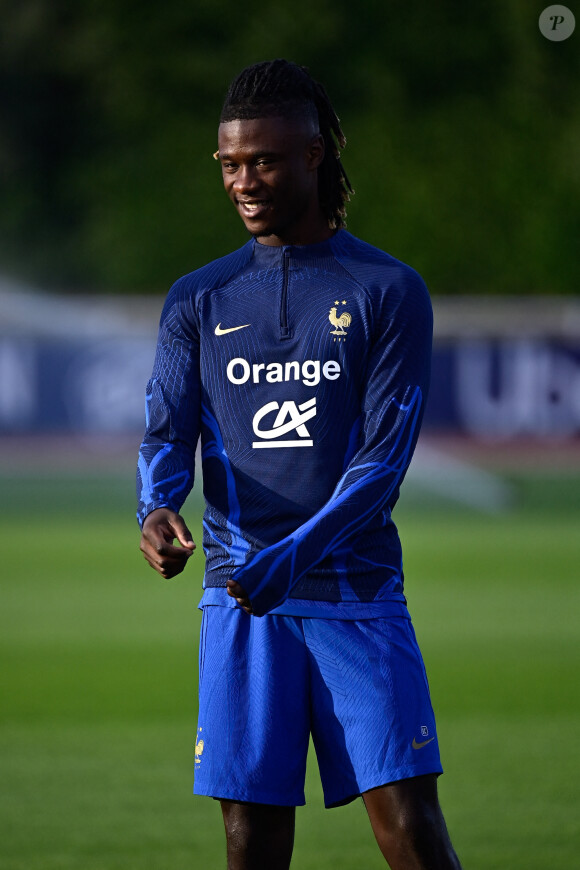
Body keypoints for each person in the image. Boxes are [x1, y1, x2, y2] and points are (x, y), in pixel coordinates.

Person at [137, 59, 462, 870]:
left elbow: (382, 462)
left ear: (315, 155)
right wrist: (156, 507)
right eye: (229, 164)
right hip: (241, 602)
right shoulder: (197, 300)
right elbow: (167, 434)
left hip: (356, 596)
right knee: (249, 843)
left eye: (265, 161)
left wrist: (295, 555)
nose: (244, 181)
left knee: (413, 831)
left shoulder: (389, 288)